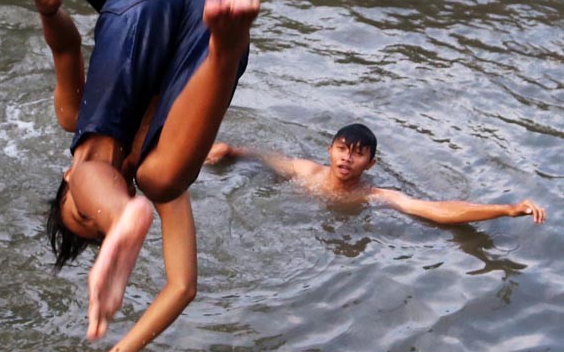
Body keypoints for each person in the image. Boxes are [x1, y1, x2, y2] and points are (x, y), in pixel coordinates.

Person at [26, 0, 260, 352]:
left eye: (82, 214)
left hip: (140, 9)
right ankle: (224, 54)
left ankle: (117, 222)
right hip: (212, 31)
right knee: (165, 180)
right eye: (100, 223)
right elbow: (183, 286)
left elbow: (65, 47)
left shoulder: (76, 122)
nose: (90, 213)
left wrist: (49, 9)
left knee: (91, 152)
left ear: (65, 178)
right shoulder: (155, 175)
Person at [204, 123, 546, 225]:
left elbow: (436, 209)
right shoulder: (306, 171)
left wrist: (506, 209)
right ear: (329, 149)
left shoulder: (373, 195)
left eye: (357, 154)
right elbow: (264, 157)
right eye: (341, 148)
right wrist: (230, 151)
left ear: (371, 164)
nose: (346, 158)